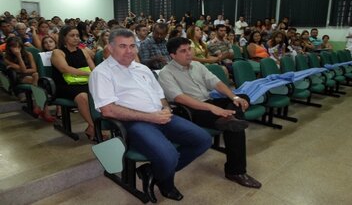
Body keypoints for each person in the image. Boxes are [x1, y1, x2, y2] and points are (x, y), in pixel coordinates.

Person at [89, 29, 211, 203]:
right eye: (123, 46)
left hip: (161, 116)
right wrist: (151, 117)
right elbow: (108, 110)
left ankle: (153, 172)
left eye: (132, 46)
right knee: (168, 156)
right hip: (134, 123)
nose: (129, 51)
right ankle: (166, 182)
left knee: (203, 140)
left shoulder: (142, 68)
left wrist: (166, 108)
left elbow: (160, 95)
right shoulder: (101, 73)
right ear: (110, 47)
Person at [158, 37, 262, 189]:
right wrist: (212, 108)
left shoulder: (197, 65)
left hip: (209, 102)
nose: (189, 53)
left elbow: (216, 83)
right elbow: (180, 98)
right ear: (172, 55)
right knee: (234, 125)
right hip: (190, 110)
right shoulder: (166, 73)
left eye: (189, 49)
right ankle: (235, 171)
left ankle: (229, 118)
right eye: (183, 51)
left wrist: (235, 97)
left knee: (241, 98)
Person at [50, 26, 96, 140]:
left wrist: (94, 75)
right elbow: (65, 69)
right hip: (65, 85)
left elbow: (93, 69)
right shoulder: (57, 52)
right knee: (83, 97)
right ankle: (95, 126)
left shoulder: (84, 51)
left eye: (77, 35)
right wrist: (88, 74)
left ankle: (92, 128)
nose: (76, 38)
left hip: (83, 82)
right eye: (72, 35)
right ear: (64, 38)